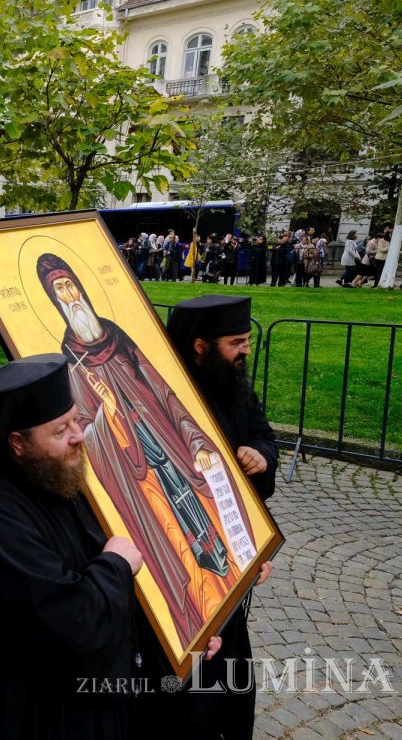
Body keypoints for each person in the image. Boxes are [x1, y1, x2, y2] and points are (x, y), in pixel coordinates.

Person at [0, 354, 144, 738]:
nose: (78, 435)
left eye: (76, 420)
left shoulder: (56, 477)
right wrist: (115, 565)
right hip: (29, 718)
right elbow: (70, 623)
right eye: (60, 430)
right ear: (18, 443)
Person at [36, 253, 252, 644]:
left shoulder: (116, 335)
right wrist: (108, 415)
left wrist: (194, 440)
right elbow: (81, 430)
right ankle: (195, 603)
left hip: (168, 441)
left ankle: (227, 577)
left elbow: (162, 389)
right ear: (54, 300)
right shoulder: (69, 359)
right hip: (132, 465)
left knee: (202, 509)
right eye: (60, 290)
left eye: (71, 286)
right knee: (168, 531)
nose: (70, 296)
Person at [163, 295, 278, 740]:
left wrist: (261, 456)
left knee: (232, 677)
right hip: (183, 556)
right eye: (236, 342)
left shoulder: (236, 387)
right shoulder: (168, 394)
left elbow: (264, 437)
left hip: (232, 552)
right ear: (200, 346)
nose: (246, 350)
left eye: (247, 340)